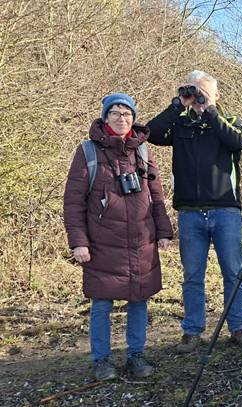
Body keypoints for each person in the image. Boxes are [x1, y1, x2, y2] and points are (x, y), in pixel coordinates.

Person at [63, 93, 173, 380]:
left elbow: (157, 196)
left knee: (139, 299)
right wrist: (79, 242)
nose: (121, 118)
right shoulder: (88, 152)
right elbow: (73, 202)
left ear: (133, 119)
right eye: (115, 113)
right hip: (102, 242)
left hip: (141, 240)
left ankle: (136, 355)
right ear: (105, 117)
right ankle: (102, 361)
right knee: (102, 302)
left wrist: (163, 231)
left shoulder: (143, 151)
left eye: (127, 113)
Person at [146, 70, 242, 352]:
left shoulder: (230, 121)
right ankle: (192, 331)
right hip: (190, 211)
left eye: (203, 91)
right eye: (193, 90)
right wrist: (177, 105)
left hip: (225, 209)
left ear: (216, 94)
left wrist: (211, 112)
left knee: (233, 272)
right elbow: (151, 133)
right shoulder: (181, 123)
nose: (198, 96)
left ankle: (238, 326)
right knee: (193, 275)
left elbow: (238, 141)